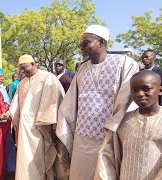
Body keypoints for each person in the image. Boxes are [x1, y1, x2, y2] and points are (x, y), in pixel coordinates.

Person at [56, 25, 139, 180]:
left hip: (109, 137)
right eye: (80, 44)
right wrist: (63, 125)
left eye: (85, 43)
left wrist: (114, 128)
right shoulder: (82, 69)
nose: (81, 47)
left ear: (101, 42)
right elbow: (70, 102)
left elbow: (126, 99)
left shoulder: (125, 63)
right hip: (82, 138)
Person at [95, 71, 162, 180]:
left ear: (160, 91)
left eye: (146, 89)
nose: (139, 94)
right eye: (134, 90)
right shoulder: (121, 121)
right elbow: (107, 157)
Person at [7, 54, 65, 180]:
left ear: (33, 64)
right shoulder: (21, 83)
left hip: (42, 129)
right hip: (25, 131)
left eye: (25, 67)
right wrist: (8, 114)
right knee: (25, 159)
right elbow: (15, 105)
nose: (23, 71)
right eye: (21, 69)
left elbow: (55, 101)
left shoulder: (47, 78)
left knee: (42, 159)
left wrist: (53, 126)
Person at [0, 67, 16, 180]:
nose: (2, 78)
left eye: (2, 76)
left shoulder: (2, 88)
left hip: (6, 123)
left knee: (9, 147)